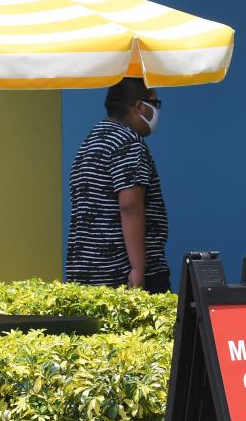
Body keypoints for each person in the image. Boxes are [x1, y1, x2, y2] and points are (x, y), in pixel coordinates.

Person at [66, 77, 171, 293]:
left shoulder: (89, 143)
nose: (157, 111)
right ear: (140, 107)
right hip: (124, 276)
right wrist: (138, 269)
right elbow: (129, 206)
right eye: (155, 103)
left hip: (85, 274)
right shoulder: (129, 144)